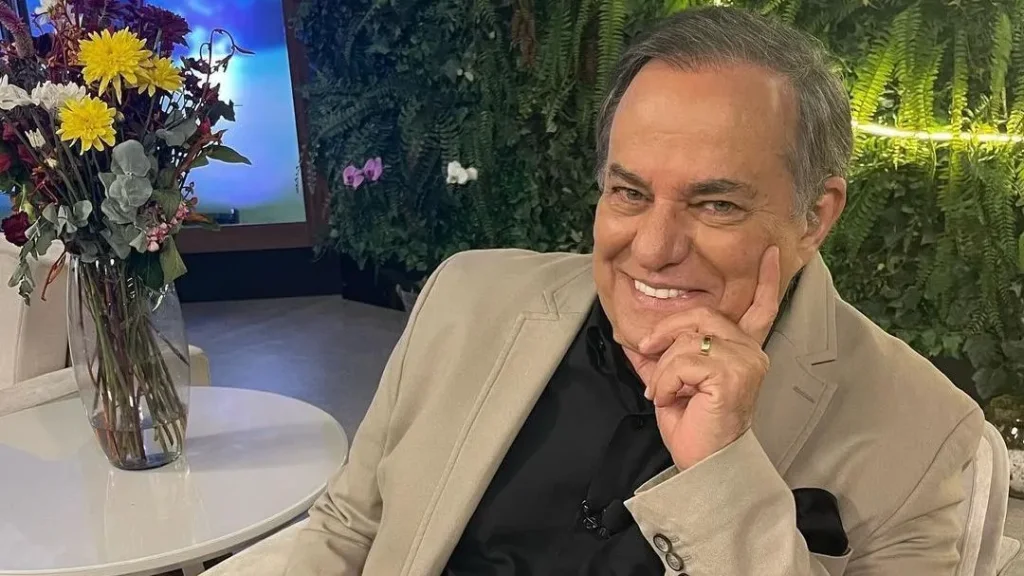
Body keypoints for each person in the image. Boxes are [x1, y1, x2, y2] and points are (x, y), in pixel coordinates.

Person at [286, 7, 982, 575]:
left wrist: (723, 474)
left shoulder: (919, 429)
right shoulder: (466, 298)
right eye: (629, 192)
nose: (652, 248)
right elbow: (348, 529)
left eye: (716, 205)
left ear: (815, 217)